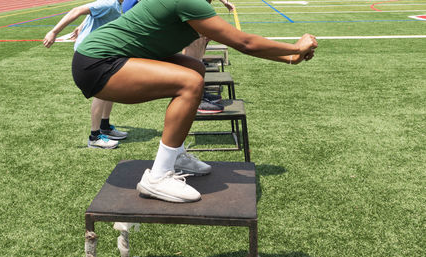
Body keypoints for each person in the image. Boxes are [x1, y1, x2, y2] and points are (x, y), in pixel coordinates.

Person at [72, 0, 317, 203]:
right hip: (97, 62)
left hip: (111, 56)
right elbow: (244, 43)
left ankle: (175, 155)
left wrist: (289, 57)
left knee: (194, 67)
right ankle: (157, 177)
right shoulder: (188, 0)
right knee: (190, 82)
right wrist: (294, 48)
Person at [43, 0, 128, 149]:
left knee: (111, 87)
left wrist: (81, 26)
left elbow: (92, 14)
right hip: (90, 54)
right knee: (102, 91)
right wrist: (54, 32)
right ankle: (94, 137)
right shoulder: (109, 3)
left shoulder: (116, 4)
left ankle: (105, 127)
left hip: (101, 51)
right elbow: (77, 10)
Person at [182, 0, 236, 114]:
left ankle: (198, 92)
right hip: (189, 8)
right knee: (194, 42)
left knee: (201, 40)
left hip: (195, 7)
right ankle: (195, 98)